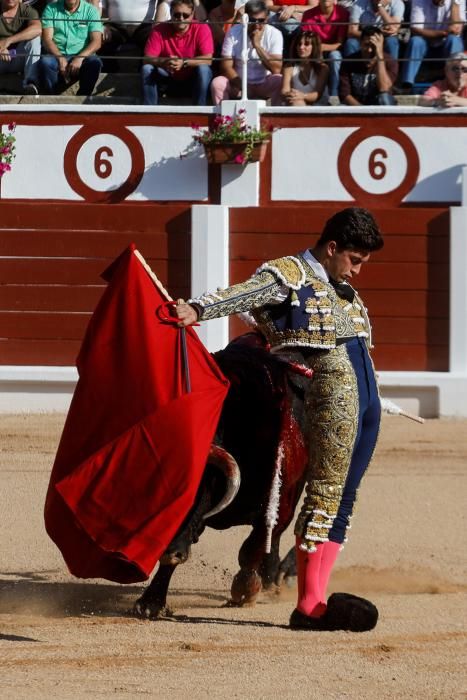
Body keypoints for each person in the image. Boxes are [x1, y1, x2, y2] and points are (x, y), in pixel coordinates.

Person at [176, 207, 384, 632]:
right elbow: (244, 294)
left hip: (366, 404)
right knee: (325, 492)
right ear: (332, 248)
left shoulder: (343, 289)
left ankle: (315, 596)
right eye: (355, 260)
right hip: (328, 400)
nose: (358, 272)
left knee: (345, 498)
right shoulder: (287, 273)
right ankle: (310, 605)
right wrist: (198, 309)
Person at [211, 0, 283, 105]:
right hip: (238, 83)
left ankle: (276, 120)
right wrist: (243, 87)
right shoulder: (233, 32)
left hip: (264, 82)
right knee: (217, 83)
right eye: (252, 20)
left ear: (267, 19)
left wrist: (257, 46)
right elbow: (226, 67)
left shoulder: (275, 34)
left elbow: (276, 68)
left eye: (261, 20)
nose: (256, 25)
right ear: (245, 18)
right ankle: (222, 120)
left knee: (280, 80)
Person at [141, 0, 213, 105]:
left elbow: (208, 59)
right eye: (177, 14)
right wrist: (165, 62)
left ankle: (200, 110)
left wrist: (184, 62)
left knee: (204, 70)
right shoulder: (159, 29)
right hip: (167, 74)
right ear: (170, 13)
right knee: (147, 68)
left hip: (192, 77)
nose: (181, 19)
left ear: (192, 14)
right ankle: (149, 111)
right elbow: (147, 58)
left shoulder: (202, 28)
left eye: (186, 15)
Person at [39, 0, 103, 95]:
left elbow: (97, 42)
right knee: (45, 62)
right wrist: (60, 58)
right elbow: (47, 39)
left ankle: (82, 98)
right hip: (57, 54)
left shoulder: (91, 11)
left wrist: (80, 58)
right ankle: (51, 97)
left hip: (82, 56)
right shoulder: (51, 9)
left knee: (95, 63)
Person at [399, 0, 465, 92]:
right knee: (416, 41)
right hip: (426, 44)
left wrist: (454, 5)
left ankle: (454, 84)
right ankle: (407, 84)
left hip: (446, 45)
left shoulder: (458, 1)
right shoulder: (419, 1)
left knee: (454, 40)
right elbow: (416, 29)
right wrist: (444, 33)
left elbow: (456, 29)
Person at [339, 24, 397, 104]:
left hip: (379, 105)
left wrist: (379, 55)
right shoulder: (348, 62)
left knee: (384, 98)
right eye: (366, 45)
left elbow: (384, 89)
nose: (369, 50)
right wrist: (363, 111)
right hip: (356, 106)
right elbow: (345, 95)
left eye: (373, 46)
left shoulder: (390, 61)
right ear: (360, 43)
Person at [301, 0, 349, 97]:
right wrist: (317, 49)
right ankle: (313, 93)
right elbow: (306, 41)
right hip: (314, 50)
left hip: (334, 50)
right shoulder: (308, 15)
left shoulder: (343, 13)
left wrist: (321, 47)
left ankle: (334, 95)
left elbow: (340, 44)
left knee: (335, 56)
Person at [97, 0, 157, 71]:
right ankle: (110, 74)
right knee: (100, 36)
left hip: (145, 27)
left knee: (153, 41)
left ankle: (144, 74)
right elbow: (100, 7)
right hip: (116, 26)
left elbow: (162, 3)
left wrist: (157, 27)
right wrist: (99, 26)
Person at [0, 0, 41, 94]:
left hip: (18, 57)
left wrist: (8, 41)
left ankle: (30, 84)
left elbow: (37, 29)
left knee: (35, 40)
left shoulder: (28, 11)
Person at [281, 29, 330, 104]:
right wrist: (290, 94)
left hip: (319, 107)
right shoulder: (289, 67)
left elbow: (317, 94)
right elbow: (284, 90)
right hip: (296, 102)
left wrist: (303, 96)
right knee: (297, 102)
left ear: (314, 47)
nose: (301, 47)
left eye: (306, 44)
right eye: (299, 44)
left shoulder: (323, 68)